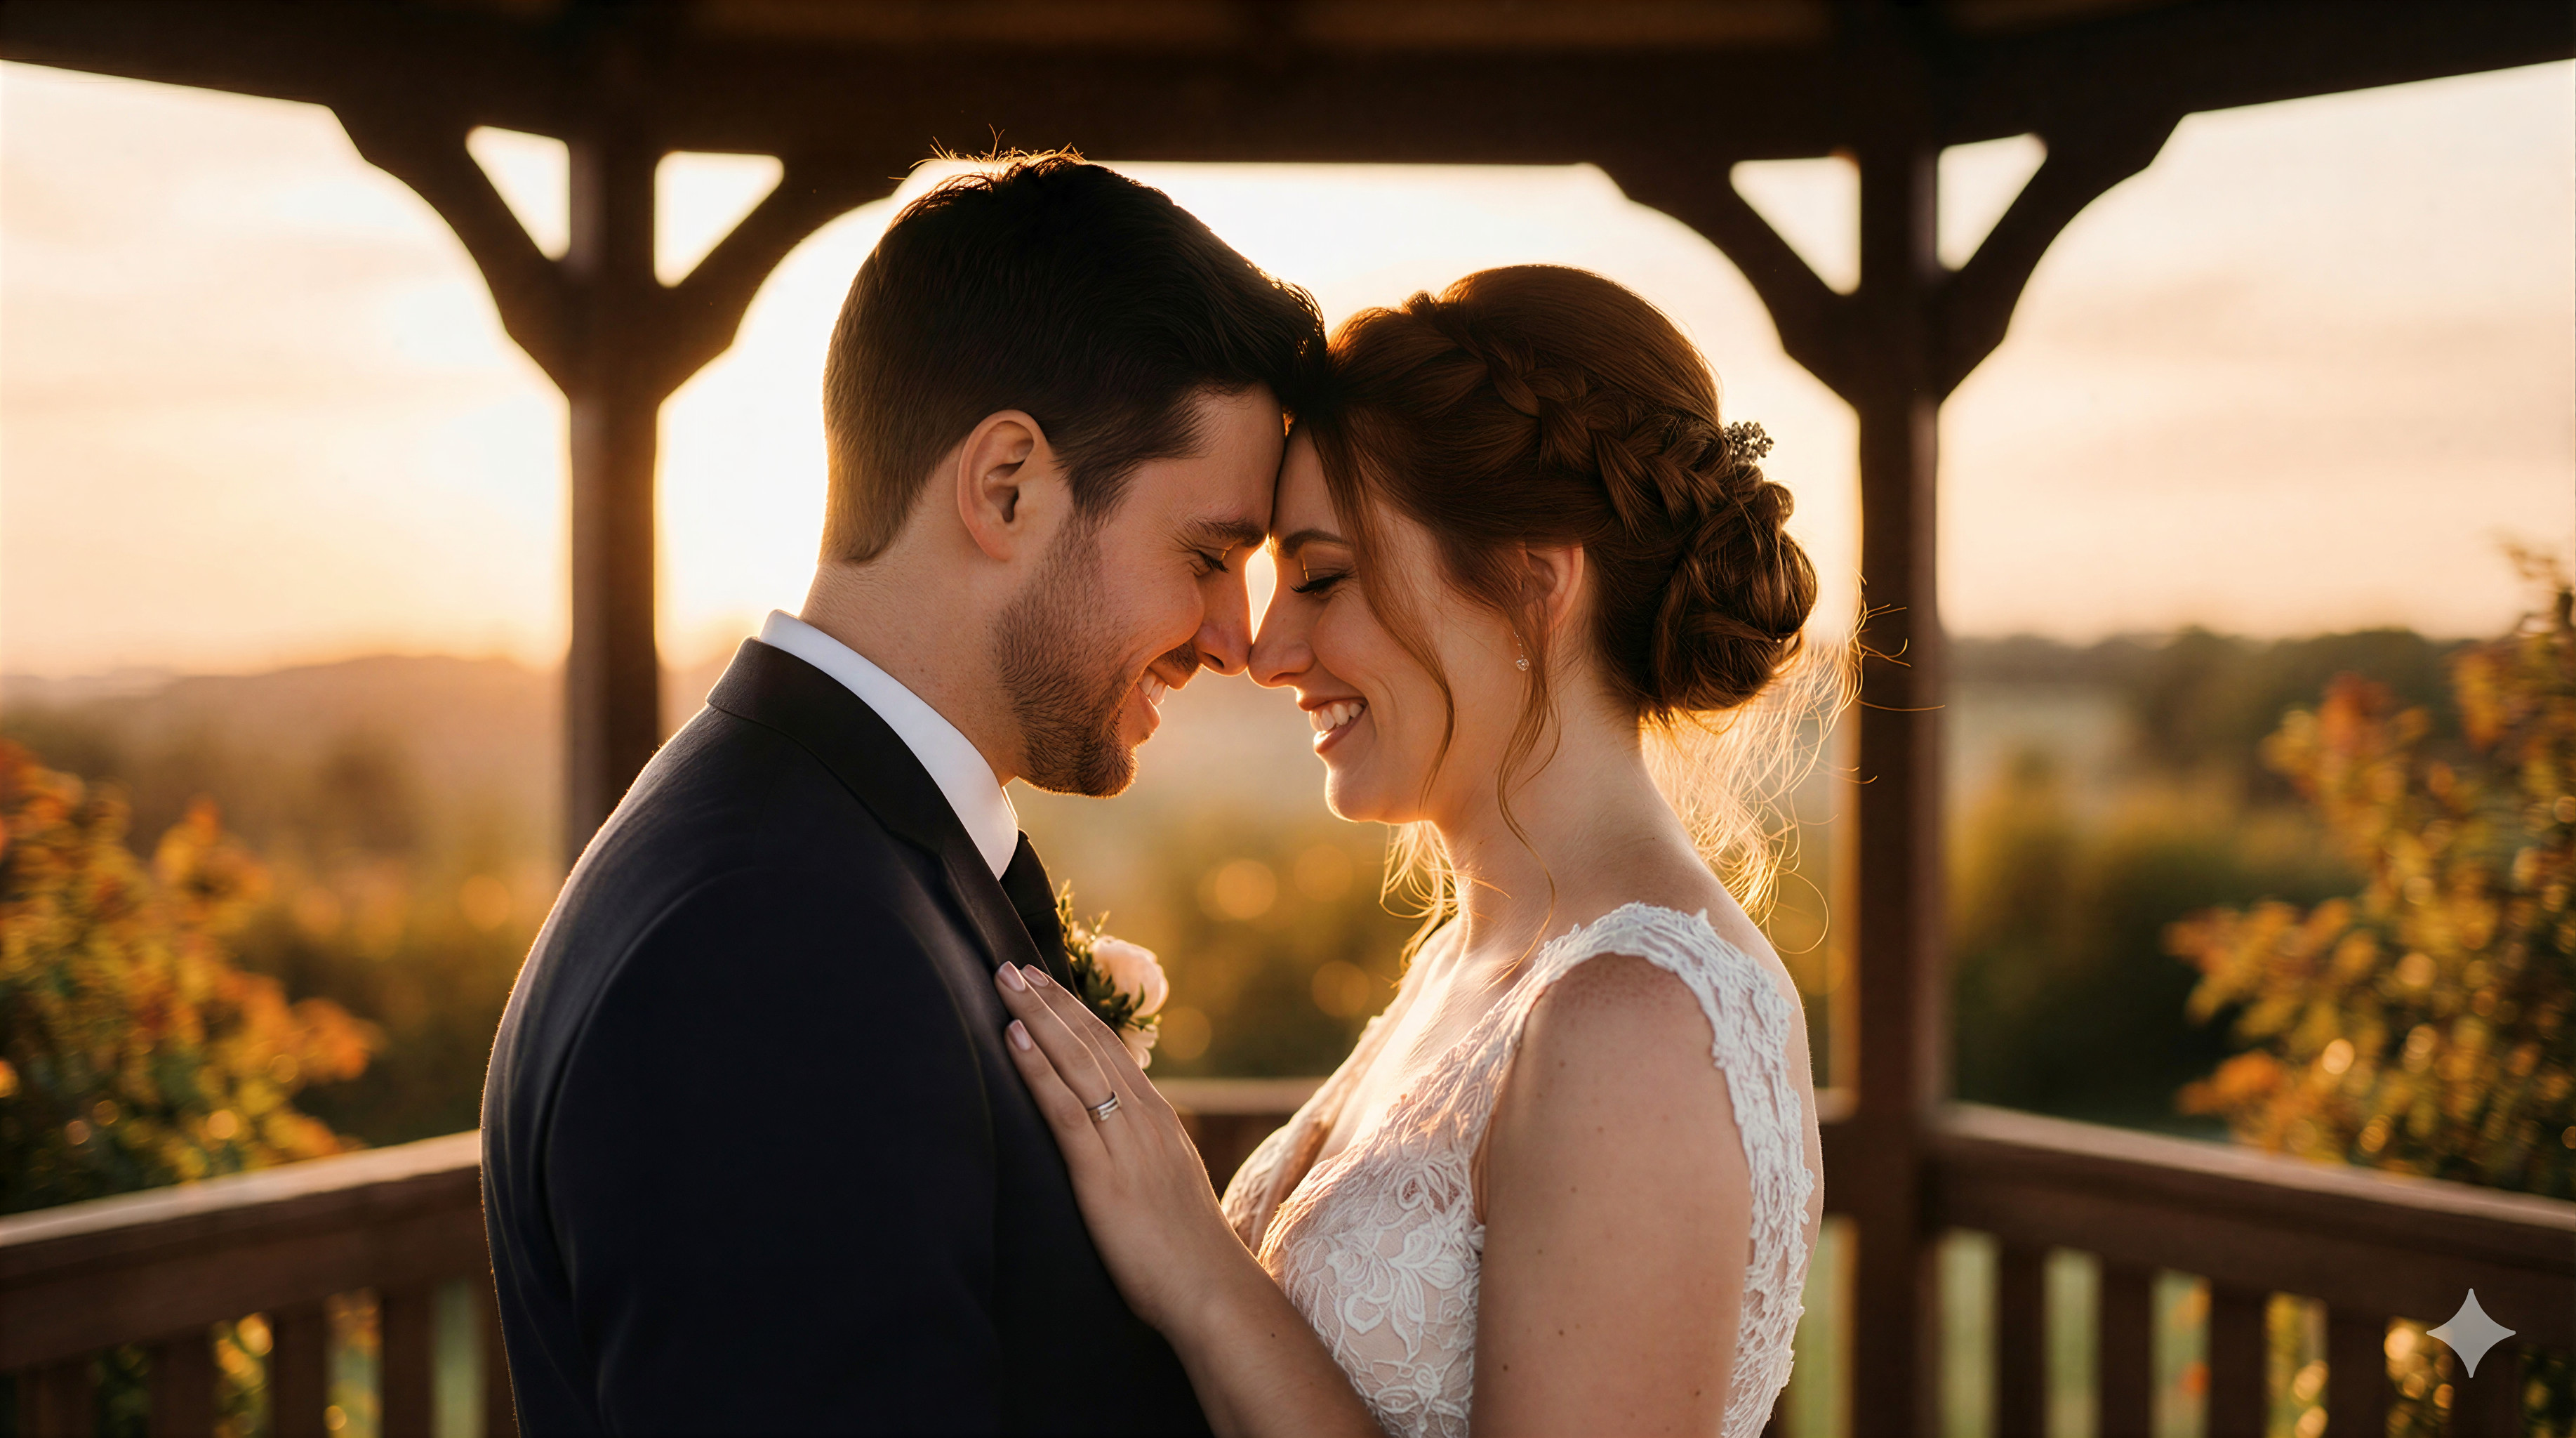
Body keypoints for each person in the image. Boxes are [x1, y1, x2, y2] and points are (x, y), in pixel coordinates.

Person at [479, 153, 1324, 1435]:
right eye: (1207, 555)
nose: (1232, 639)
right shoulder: (768, 947)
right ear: (1007, 487)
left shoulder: (838, 850)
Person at [993, 265, 1833, 1438]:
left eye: (1324, 578)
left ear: (1532, 584)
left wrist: (1199, 1269)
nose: (1267, 649)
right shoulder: (1466, 961)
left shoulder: (1640, 1021)